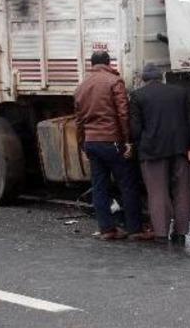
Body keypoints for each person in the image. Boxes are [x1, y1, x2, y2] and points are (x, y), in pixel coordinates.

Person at [75, 51, 153, 241]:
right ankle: (135, 229)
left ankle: (107, 229)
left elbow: (78, 121)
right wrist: (127, 141)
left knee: (99, 186)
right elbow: (123, 113)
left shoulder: (82, 86)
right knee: (127, 184)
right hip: (112, 141)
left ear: (92, 64)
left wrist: (82, 145)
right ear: (108, 63)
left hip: (91, 142)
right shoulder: (113, 81)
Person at [130, 63, 190, 244]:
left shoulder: (138, 96)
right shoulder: (179, 92)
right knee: (182, 190)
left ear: (143, 79)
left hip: (152, 151)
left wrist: (138, 148)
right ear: (161, 77)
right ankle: (181, 233)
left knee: (157, 192)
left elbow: (135, 129)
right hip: (179, 148)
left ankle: (161, 234)